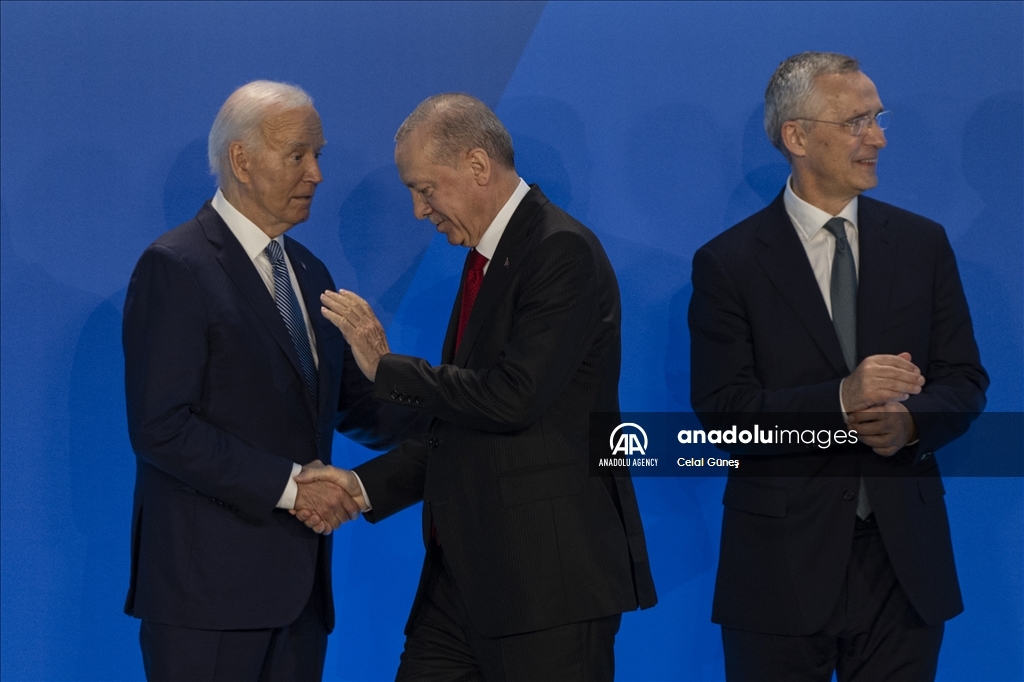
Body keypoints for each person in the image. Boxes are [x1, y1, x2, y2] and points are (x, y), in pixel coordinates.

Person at [297, 93, 657, 681]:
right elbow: (462, 430)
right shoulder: (484, 262)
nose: (419, 210)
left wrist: (387, 368)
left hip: (546, 589)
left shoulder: (560, 250)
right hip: (462, 581)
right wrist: (361, 487)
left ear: (477, 166)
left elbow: (512, 397)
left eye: (425, 189)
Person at [688, 52, 988, 680]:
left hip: (904, 569)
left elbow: (965, 381)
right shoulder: (729, 263)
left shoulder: (922, 244)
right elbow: (725, 416)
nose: (877, 138)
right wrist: (841, 401)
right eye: (856, 122)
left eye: (877, 118)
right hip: (779, 569)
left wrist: (912, 424)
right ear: (796, 137)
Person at [122, 80, 423, 681]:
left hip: (299, 599)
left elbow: (353, 407)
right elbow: (162, 427)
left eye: (318, 155)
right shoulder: (177, 265)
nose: (316, 173)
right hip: (206, 600)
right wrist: (292, 488)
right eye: (297, 155)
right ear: (241, 160)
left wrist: (441, 403)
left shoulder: (309, 271)